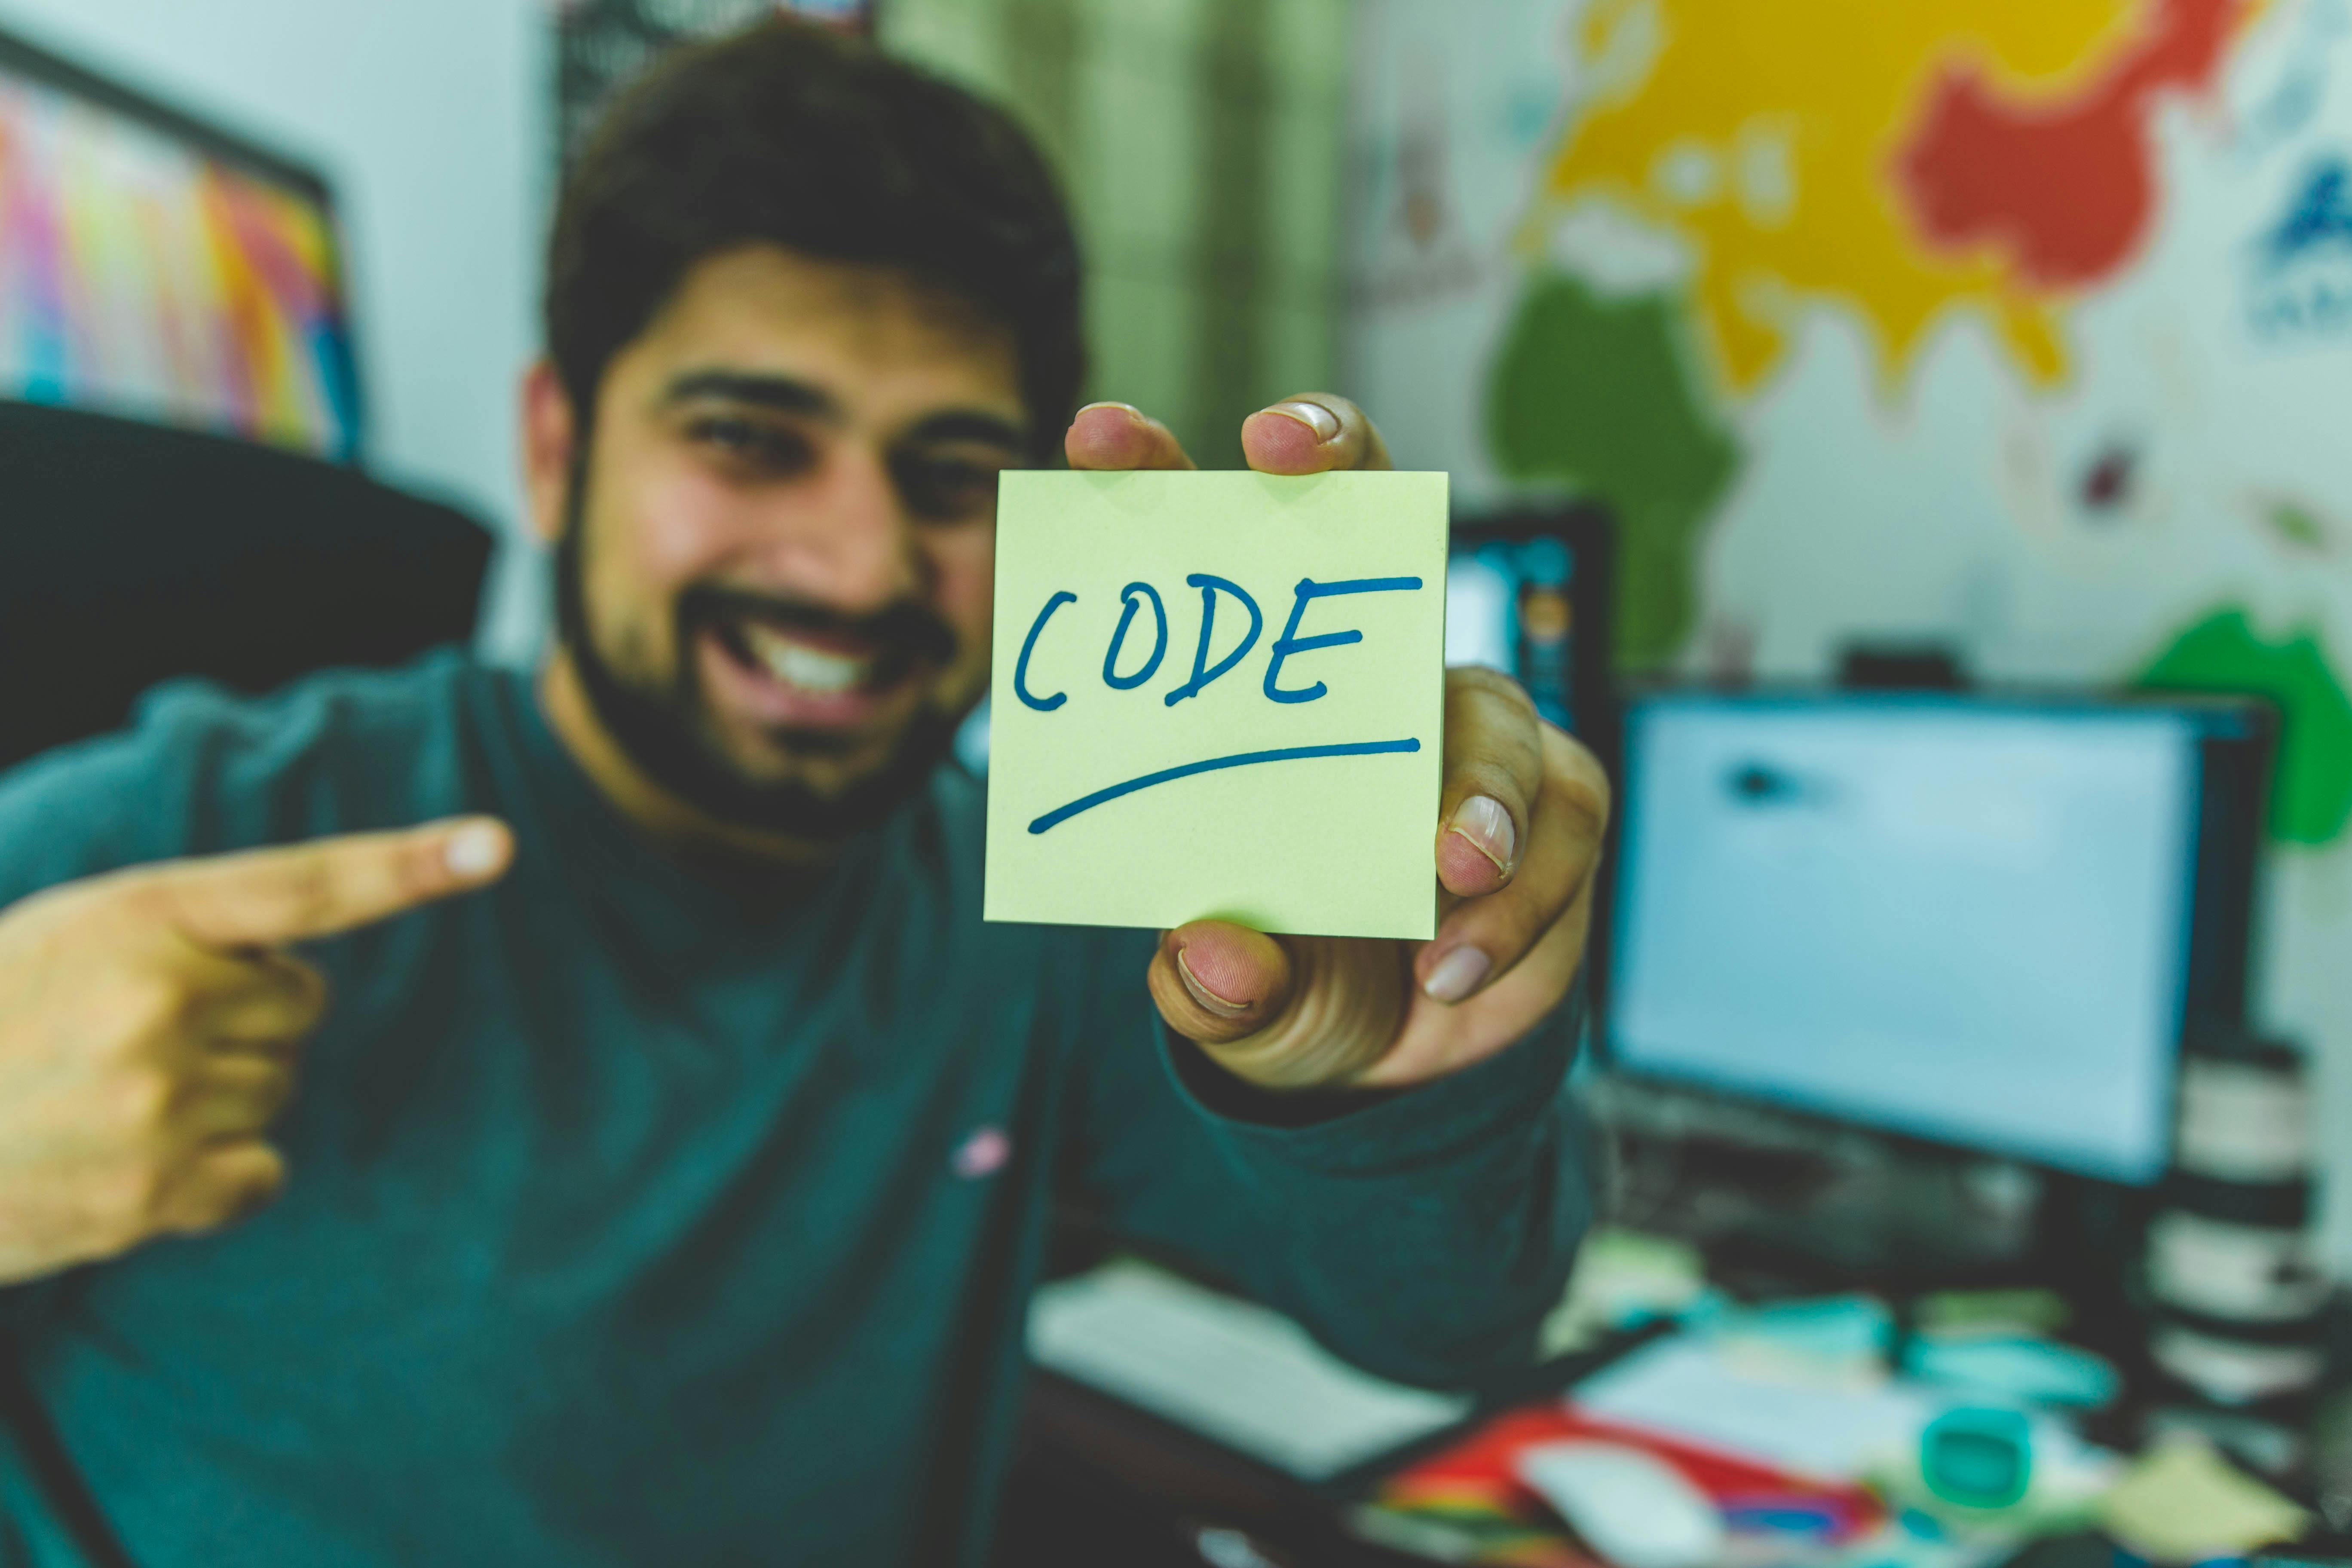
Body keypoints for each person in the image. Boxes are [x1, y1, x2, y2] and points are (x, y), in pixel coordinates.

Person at [0, 19, 1606, 1567]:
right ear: (557, 451)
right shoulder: (186, 834)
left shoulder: (1058, 911)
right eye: (751, 439)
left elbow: (1454, 1324)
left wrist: (1407, 1078)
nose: (858, 566)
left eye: (954, 477)